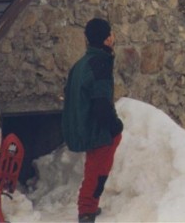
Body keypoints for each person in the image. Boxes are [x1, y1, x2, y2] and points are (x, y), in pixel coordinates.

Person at [62, 18, 124, 223]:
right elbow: (100, 103)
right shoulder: (100, 63)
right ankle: (86, 211)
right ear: (107, 39)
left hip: (82, 126)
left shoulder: (81, 64)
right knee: (97, 173)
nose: (114, 37)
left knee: (93, 170)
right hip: (96, 129)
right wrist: (115, 126)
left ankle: (89, 206)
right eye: (112, 33)